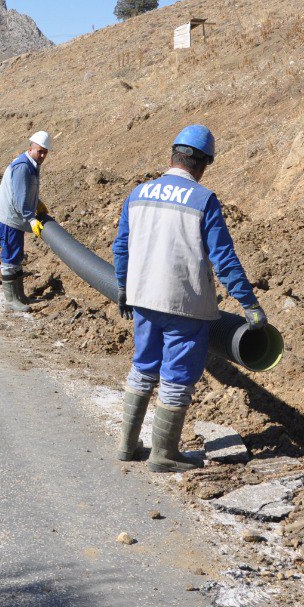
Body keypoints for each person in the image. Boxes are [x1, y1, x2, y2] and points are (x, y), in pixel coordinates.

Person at [111, 125, 266, 473]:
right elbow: (223, 259)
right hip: (184, 304)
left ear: (172, 156)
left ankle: (126, 444)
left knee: (143, 365)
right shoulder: (203, 200)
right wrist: (250, 306)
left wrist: (123, 287)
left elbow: (121, 246)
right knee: (177, 376)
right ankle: (163, 454)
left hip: (143, 298)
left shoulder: (138, 193)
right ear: (203, 164)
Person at [0, 130, 52, 312]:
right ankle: (11, 300)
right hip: (8, 220)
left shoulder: (31, 165)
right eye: (39, 151)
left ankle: (20, 296)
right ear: (30, 148)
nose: (42, 155)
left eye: (45, 152)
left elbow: (25, 190)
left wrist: (37, 203)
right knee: (10, 258)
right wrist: (31, 218)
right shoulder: (23, 167)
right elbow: (19, 197)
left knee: (16, 256)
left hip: (14, 219)